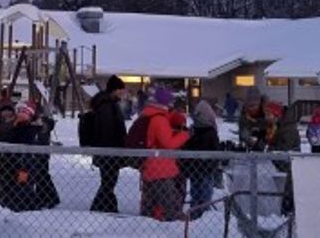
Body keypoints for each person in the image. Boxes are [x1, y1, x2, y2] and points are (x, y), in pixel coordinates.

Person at [139, 87, 189, 222]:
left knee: (150, 208)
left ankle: (148, 227)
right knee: (170, 208)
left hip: (150, 167)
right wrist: (184, 135)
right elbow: (168, 144)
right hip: (161, 169)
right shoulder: (159, 119)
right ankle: (170, 228)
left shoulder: (150, 115)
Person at [85, 75, 128, 213]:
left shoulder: (108, 104)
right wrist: (116, 148)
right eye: (120, 89)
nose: (122, 92)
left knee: (108, 181)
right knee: (109, 181)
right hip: (109, 151)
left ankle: (105, 207)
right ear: (114, 90)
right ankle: (102, 207)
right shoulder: (107, 106)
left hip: (108, 151)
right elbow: (107, 130)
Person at [182, 100, 221, 220]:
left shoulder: (195, 131)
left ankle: (199, 215)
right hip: (202, 169)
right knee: (201, 194)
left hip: (198, 169)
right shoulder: (208, 131)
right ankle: (200, 215)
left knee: (199, 193)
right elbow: (216, 150)